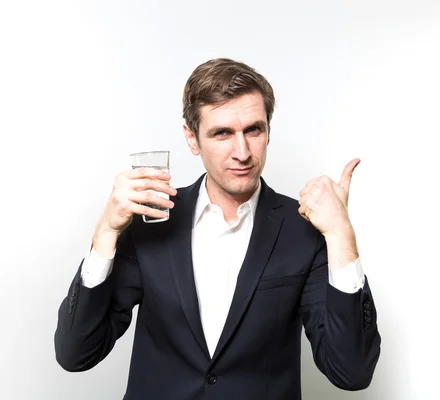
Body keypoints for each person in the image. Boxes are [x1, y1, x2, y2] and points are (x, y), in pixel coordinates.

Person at [54, 58, 381, 400]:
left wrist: (341, 234)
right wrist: (106, 232)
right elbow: (76, 354)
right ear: (192, 139)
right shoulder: (152, 221)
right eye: (222, 133)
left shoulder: (303, 229)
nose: (242, 152)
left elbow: (351, 372)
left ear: (268, 130)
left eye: (254, 129)